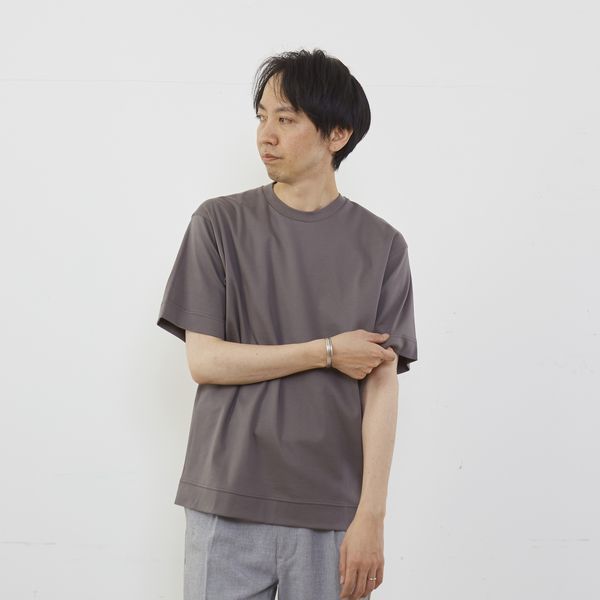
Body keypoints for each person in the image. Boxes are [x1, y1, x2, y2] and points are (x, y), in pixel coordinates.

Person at [157, 48, 418, 600]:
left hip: (330, 513)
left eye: (287, 118)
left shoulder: (383, 246)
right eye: (262, 117)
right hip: (225, 501)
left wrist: (371, 516)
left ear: (337, 134)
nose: (265, 136)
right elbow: (205, 360)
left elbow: (381, 385)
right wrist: (327, 351)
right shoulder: (218, 223)